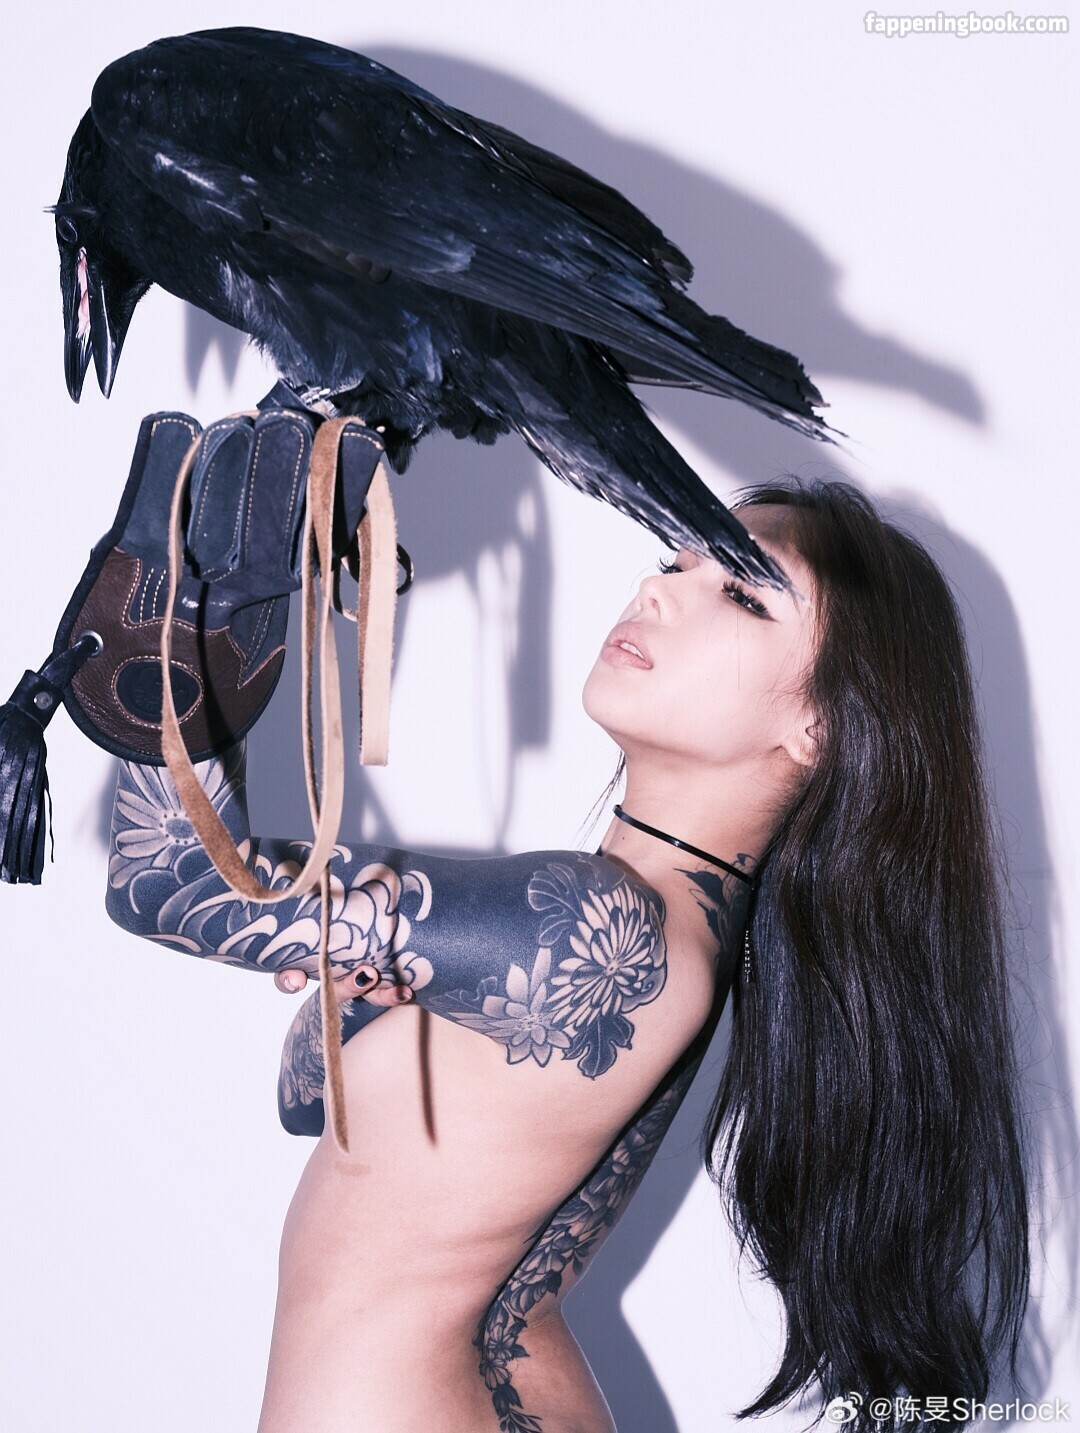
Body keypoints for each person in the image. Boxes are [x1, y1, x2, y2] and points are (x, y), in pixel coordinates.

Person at [105, 479, 1030, 1433]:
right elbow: (309, 1101)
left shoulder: (600, 927)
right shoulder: (658, 933)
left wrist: (174, 599)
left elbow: (166, 880)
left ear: (820, 727)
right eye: (675, 561)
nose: (658, 588)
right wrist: (367, 992)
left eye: (740, 593)